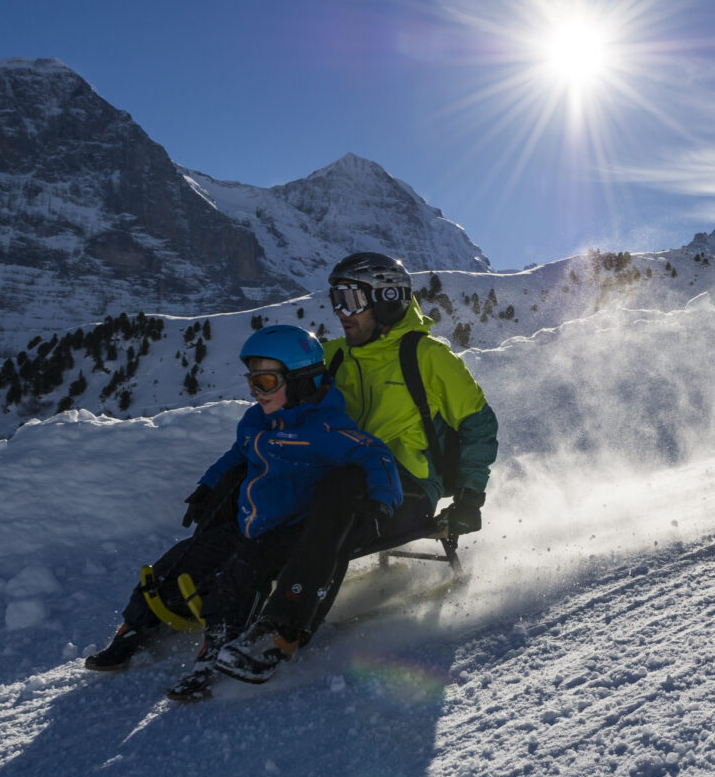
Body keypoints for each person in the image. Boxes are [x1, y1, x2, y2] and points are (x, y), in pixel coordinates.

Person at [84, 324, 403, 700]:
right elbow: (236, 455)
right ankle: (137, 626)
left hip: (291, 530)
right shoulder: (256, 421)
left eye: (266, 382)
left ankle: (219, 647)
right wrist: (207, 485)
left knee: (241, 574)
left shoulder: (326, 428)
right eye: (252, 381)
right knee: (179, 561)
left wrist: (382, 504)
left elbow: (375, 455)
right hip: (248, 522)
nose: (256, 391)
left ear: (301, 381)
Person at [315, 252, 498, 605]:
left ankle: (294, 609)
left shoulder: (427, 356)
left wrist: (469, 499)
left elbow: (479, 426)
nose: (340, 312)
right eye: (336, 299)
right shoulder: (334, 357)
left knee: (336, 508)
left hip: (407, 489)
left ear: (387, 301)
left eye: (350, 300)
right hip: (342, 478)